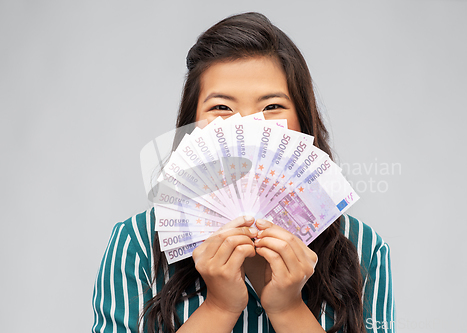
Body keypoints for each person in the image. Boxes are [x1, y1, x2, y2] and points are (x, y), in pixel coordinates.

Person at [92, 12, 394, 333]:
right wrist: (219, 308)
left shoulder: (363, 248)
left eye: (271, 107)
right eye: (221, 108)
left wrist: (289, 309)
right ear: (192, 126)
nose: (248, 128)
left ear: (303, 122)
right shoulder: (135, 244)